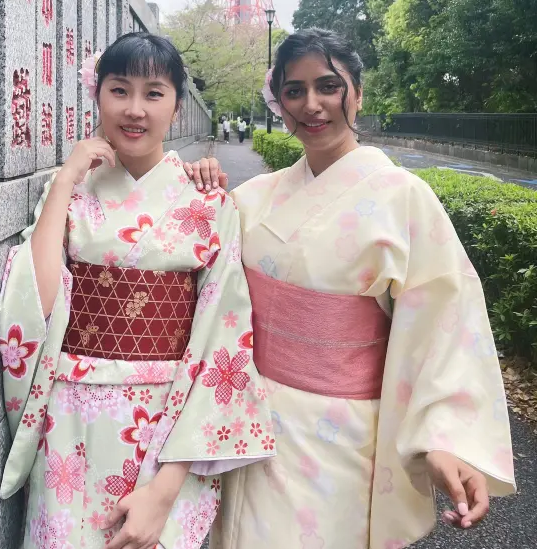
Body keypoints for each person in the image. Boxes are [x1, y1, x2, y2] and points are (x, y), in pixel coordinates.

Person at [184, 29, 515, 549]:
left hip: (341, 433)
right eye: (294, 90)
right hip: (249, 416)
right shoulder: (251, 198)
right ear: (280, 102)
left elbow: (447, 325)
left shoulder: (403, 197)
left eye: (328, 86)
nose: (311, 104)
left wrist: (445, 438)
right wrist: (191, 183)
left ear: (356, 93)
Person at [0, 33, 274, 549]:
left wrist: (166, 489)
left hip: (167, 426)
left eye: (154, 93)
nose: (134, 109)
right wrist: (63, 182)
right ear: (97, 95)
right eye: (119, 90)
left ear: (177, 105)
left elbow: (223, 346)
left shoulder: (210, 204)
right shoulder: (71, 193)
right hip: (69, 421)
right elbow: (31, 306)